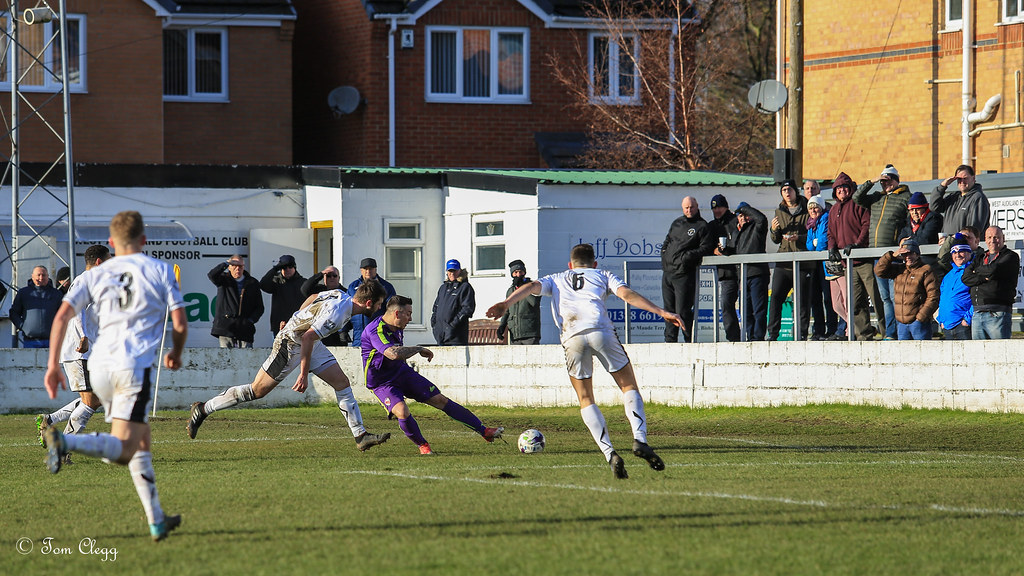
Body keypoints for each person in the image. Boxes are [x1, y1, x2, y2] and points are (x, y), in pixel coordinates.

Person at [42, 210, 188, 541]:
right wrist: (175, 354)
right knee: (125, 449)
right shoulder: (160, 270)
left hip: (99, 365)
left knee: (141, 444)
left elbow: (62, 316)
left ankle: (157, 520)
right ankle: (64, 439)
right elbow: (179, 324)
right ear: (144, 240)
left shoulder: (94, 275)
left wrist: (53, 365)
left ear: (111, 243)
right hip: (131, 368)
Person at [486, 243, 680, 480]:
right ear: (594, 263)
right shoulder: (603, 274)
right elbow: (627, 295)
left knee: (586, 398)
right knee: (628, 385)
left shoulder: (557, 278)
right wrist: (662, 312)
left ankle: (610, 454)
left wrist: (506, 304)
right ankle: (640, 440)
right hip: (601, 331)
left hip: (572, 335)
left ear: (571, 265)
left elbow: (531, 286)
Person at [185, 281, 392, 452]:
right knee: (257, 390)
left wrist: (297, 317)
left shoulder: (340, 294)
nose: (379, 308)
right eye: (379, 304)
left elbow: (313, 297)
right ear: (367, 303)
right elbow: (308, 336)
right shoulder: (338, 312)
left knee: (341, 383)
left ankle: (361, 435)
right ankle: (203, 409)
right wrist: (303, 374)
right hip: (291, 344)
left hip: (308, 341)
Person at [362, 295, 504, 454]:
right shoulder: (376, 330)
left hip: (401, 372)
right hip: (382, 382)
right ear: (397, 314)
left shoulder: (397, 326)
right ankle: (423, 446)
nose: (410, 318)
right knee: (402, 411)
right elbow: (393, 353)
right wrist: (418, 349)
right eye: (408, 314)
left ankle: (484, 431)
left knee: (440, 399)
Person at [35, 245, 112, 450]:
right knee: (90, 401)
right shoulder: (83, 280)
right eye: (109, 259)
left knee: (98, 398)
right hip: (78, 349)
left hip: (88, 349)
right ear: (99, 262)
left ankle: (49, 420)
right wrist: (84, 336)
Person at [854, 164, 910, 340]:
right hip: (877, 256)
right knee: (885, 298)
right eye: (883, 182)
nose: (885, 184)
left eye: (888, 180)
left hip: (894, 256)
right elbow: (857, 197)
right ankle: (889, 333)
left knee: (895, 297)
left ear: (896, 180)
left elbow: (909, 222)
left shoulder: (905, 197)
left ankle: (900, 332)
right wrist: (873, 181)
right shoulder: (877, 198)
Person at [827, 172, 875, 340]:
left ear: (850, 188)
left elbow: (866, 225)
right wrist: (832, 247)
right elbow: (830, 233)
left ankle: (888, 333)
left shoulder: (858, 204)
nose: (841, 191)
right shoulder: (833, 210)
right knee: (855, 303)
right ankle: (863, 335)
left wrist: (858, 244)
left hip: (864, 260)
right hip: (847, 264)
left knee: (876, 298)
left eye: (844, 187)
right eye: (838, 188)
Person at [660, 196, 715, 342]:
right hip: (668, 272)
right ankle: (670, 341)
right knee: (668, 310)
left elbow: (706, 247)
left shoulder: (702, 226)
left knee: (683, 311)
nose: (689, 210)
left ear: (697, 207)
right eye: (686, 207)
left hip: (684, 274)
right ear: (682, 208)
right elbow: (667, 242)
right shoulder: (677, 223)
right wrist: (664, 255)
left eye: (691, 207)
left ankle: (688, 340)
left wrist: (686, 257)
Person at [767, 180, 811, 340]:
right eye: (784, 190)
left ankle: (801, 335)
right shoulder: (779, 212)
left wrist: (798, 237)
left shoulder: (807, 209)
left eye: (789, 189)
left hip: (803, 262)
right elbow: (776, 239)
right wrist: (773, 229)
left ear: (795, 192)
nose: (787, 192)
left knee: (802, 302)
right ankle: (772, 334)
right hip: (784, 262)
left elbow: (813, 236)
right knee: (776, 298)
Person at [873, 239, 939, 340]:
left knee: (922, 355)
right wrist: (891, 255)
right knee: (904, 355)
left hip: (919, 324)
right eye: (905, 254)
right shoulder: (900, 269)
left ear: (917, 254)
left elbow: (933, 296)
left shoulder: (926, 270)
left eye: (911, 253)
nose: (908, 257)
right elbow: (879, 271)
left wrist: (921, 317)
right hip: (901, 324)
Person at [961, 226, 1019, 340]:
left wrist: (977, 271)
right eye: (989, 237)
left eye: (996, 237)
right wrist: (984, 277)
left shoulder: (1010, 256)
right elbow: (966, 278)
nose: (992, 240)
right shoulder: (980, 257)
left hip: (998, 313)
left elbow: (994, 270)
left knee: (999, 354)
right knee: (979, 355)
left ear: (1003, 238)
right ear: (985, 239)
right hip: (977, 313)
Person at [728, 202, 770, 341]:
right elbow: (733, 252)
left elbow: (762, 219)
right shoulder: (736, 233)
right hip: (743, 276)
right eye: (740, 216)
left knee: (759, 310)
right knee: (745, 310)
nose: (743, 218)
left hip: (758, 274)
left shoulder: (757, 227)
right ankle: (749, 336)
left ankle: (758, 338)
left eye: (746, 215)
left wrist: (744, 209)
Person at [208, 255, 264, 348]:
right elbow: (211, 275)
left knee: (246, 359)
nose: (237, 268)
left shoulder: (252, 282)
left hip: (245, 328)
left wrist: (250, 321)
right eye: (234, 265)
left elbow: (259, 307)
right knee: (226, 359)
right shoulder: (223, 279)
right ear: (229, 267)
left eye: (240, 266)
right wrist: (225, 263)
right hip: (225, 327)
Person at [707, 195, 740, 342]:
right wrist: (714, 250)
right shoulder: (712, 226)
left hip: (744, 269)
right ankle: (733, 339)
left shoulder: (736, 220)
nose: (717, 210)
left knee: (749, 305)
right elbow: (705, 246)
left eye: (719, 207)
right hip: (727, 273)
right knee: (726, 304)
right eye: (714, 208)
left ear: (726, 207)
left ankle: (753, 336)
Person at [805, 195, 839, 340]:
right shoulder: (810, 223)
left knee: (828, 299)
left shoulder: (825, 218)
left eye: (816, 207)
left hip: (825, 264)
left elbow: (822, 243)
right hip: (815, 265)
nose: (813, 210)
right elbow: (808, 244)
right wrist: (813, 244)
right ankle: (818, 330)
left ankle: (831, 329)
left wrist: (814, 244)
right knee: (815, 298)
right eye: (810, 207)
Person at [10, 265, 63, 348]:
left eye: (44, 275)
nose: (41, 278)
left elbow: (63, 314)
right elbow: (14, 312)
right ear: (32, 276)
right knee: (29, 361)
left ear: (48, 276)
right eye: (38, 275)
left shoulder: (56, 294)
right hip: (30, 341)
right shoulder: (24, 293)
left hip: (52, 340)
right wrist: (23, 326)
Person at [931, 164, 990, 236]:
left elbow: (974, 229)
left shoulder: (978, 198)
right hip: (949, 244)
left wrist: (955, 238)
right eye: (959, 179)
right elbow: (934, 207)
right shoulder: (953, 197)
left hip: (965, 245)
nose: (962, 182)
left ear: (973, 178)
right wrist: (942, 186)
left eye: (965, 178)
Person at [347, 258, 396, 346]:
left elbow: (392, 309)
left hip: (379, 333)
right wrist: (343, 330)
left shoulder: (386, 287)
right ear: (361, 270)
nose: (368, 271)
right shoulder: (352, 287)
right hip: (358, 336)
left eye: (371, 268)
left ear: (375, 269)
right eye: (365, 269)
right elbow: (348, 307)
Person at [259, 254, 307, 337]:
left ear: (294, 267)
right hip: (280, 325)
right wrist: (275, 268)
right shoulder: (276, 282)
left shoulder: (303, 283)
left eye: (290, 266)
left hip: (299, 325)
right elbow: (263, 285)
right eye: (284, 267)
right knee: (280, 349)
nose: (287, 269)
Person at [496, 259, 542, 344]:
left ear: (524, 273)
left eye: (520, 272)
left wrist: (524, 288)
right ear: (512, 274)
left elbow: (534, 302)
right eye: (515, 272)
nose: (518, 274)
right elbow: (507, 311)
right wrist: (502, 326)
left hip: (530, 333)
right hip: (515, 334)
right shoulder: (510, 291)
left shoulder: (533, 286)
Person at [431, 258, 476, 345]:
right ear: (447, 272)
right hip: (440, 335)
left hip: (456, 337)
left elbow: (467, 309)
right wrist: (434, 324)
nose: (452, 273)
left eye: (454, 271)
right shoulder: (443, 288)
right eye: (450, 271)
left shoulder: (465, 287)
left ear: (459, 271)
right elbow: (436, 307)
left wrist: (452, 326)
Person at [937, 242, 975, 340]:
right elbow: (942, 298)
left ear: (969, 253)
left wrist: (967, 319)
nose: (957, 255)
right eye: (954, 252)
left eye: (961, 252)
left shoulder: (973, 272)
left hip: (963, 326)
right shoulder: (948, 276)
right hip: (947, 326)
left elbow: (977, 296)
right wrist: (941, 320)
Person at [301, 266, 344, 346]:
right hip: (319, 331)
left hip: (337, 333)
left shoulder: (345, 293)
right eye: (328, 275)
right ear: (324, 278)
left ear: (339, 278)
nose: (331, 278)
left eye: (334, 275)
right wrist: (320, 274)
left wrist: (344, 331)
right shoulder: (319, 291)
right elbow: (304, 289)